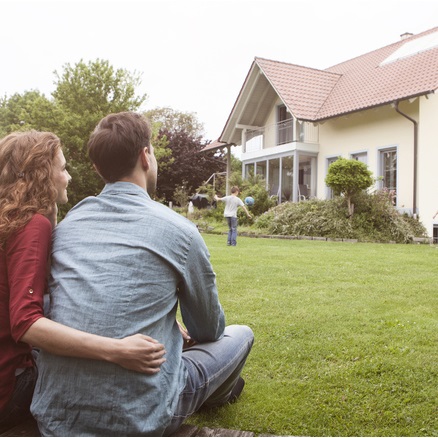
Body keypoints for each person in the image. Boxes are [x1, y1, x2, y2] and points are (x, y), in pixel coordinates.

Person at [31, 112, 254, 436]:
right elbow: (208, 329)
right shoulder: (179, 230)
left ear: (97, 168)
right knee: (240, 334)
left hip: (55, 415)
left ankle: (218, 388)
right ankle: (220, 391)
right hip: (142, 415)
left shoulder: (68, 226)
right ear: (145, 156)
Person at [0, 131, 166, 433]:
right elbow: (26, 324)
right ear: (42, 175)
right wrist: (117, 349)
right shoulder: (31, 225)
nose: (69, 177)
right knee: (87, 378)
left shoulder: (10, 219)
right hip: (9, 390)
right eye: (62, 169)